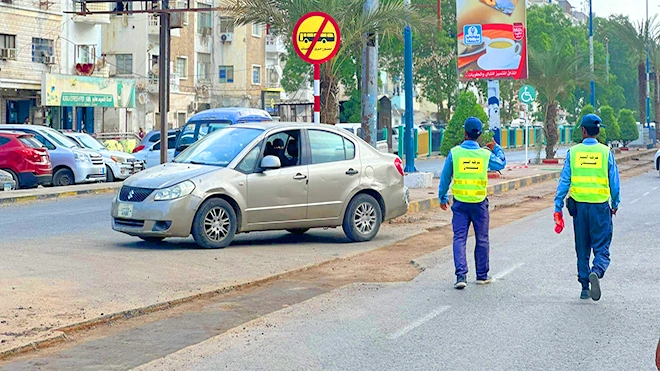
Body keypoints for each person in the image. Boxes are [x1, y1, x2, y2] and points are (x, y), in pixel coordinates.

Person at [554, 113, 620, 301]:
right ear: (598, 131)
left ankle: (584, 286)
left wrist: (557, 205)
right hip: (600, 207)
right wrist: (615, 204)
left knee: (582, 247)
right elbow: (614, 183)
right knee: (601, 246)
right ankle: (597, 271)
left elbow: (564, 181)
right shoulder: (606, 153)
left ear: (583, 131)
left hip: (580, 208)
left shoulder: (573, 153)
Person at [438, 117, 506, 289]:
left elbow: (445, 177)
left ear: (464, 133)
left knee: (459, 238)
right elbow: (502, 163)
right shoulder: (484, 154)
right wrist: (496, 147)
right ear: (480, 134)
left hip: (460, 204)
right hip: (479, 204)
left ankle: (461, 276)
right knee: (482, 239)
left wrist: (442, 197)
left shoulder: (455, 153)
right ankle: (482, 275)